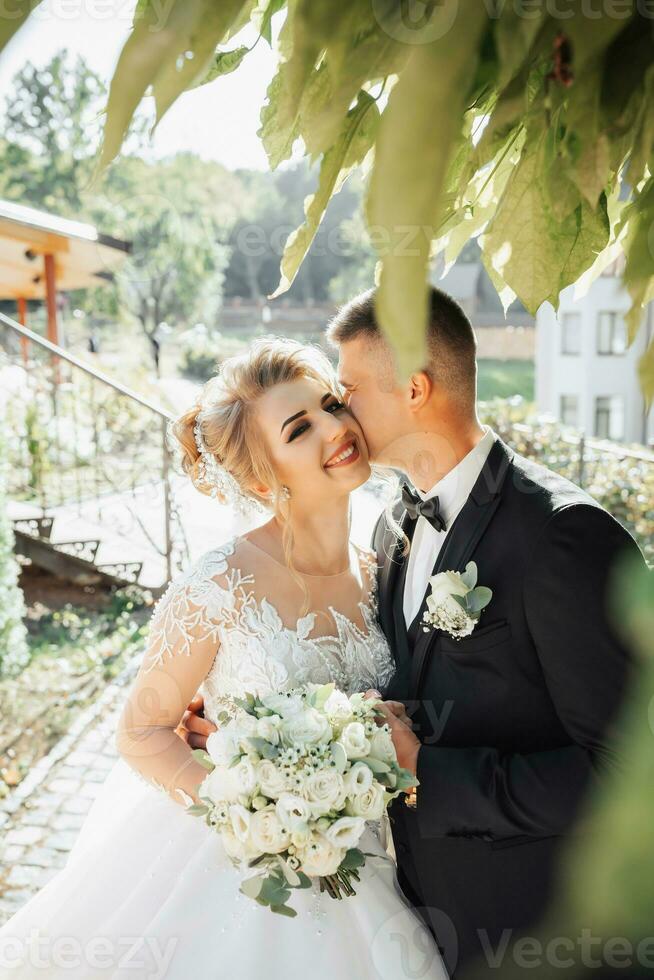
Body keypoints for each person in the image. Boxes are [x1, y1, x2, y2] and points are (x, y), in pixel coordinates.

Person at [183, 286, 645, 977]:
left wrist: (428, 770)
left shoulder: (561, 536)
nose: (340, 416)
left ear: (416, 391)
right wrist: (256, 735)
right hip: (416, 919)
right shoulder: (392, 525)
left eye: (346, 394)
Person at [0, 338, 447, 980]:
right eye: (300, 429)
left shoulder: (383, 567)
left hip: (372, 863)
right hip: (241, 876)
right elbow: (142, 731)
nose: (335, 428)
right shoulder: (220, 583)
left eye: (329, 405)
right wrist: (249, 811)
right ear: (264, 480)